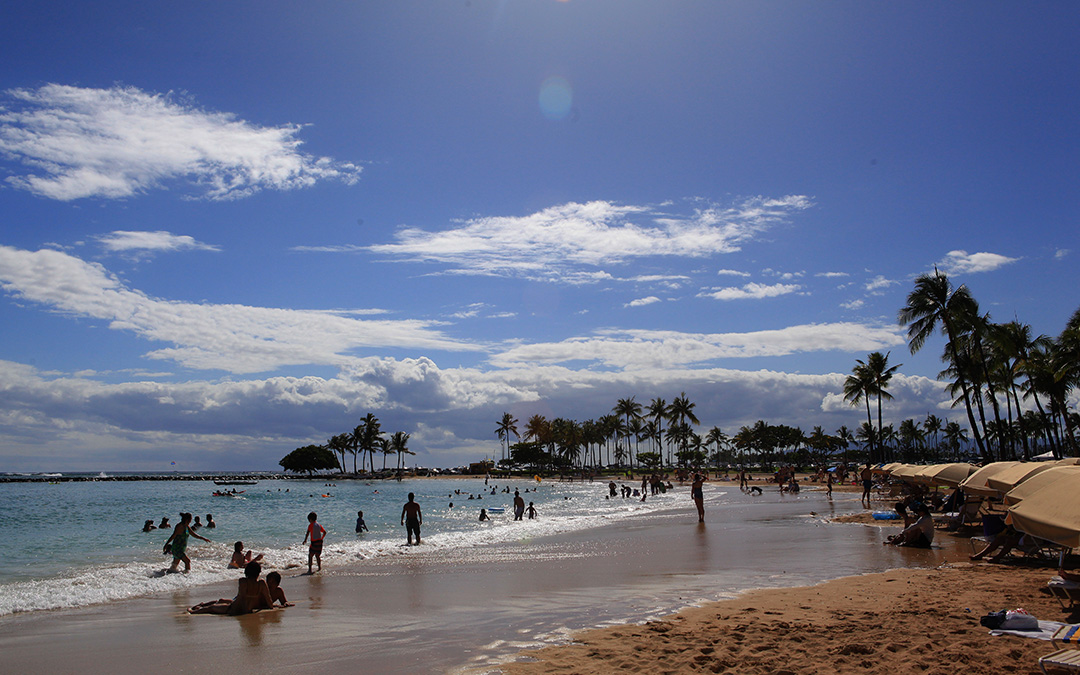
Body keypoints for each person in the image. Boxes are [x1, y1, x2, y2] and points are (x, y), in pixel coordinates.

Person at [188, 561, 275, 615]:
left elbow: (243, 597)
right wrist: (270, 607)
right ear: (258, 572)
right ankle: (200, 606)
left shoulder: (243, 581)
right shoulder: (261, 583)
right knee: (218, 603)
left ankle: (193, 611)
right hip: (247, 609)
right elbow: (269, 600)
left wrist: (243, 612)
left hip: (234, 608)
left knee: (211, 608)